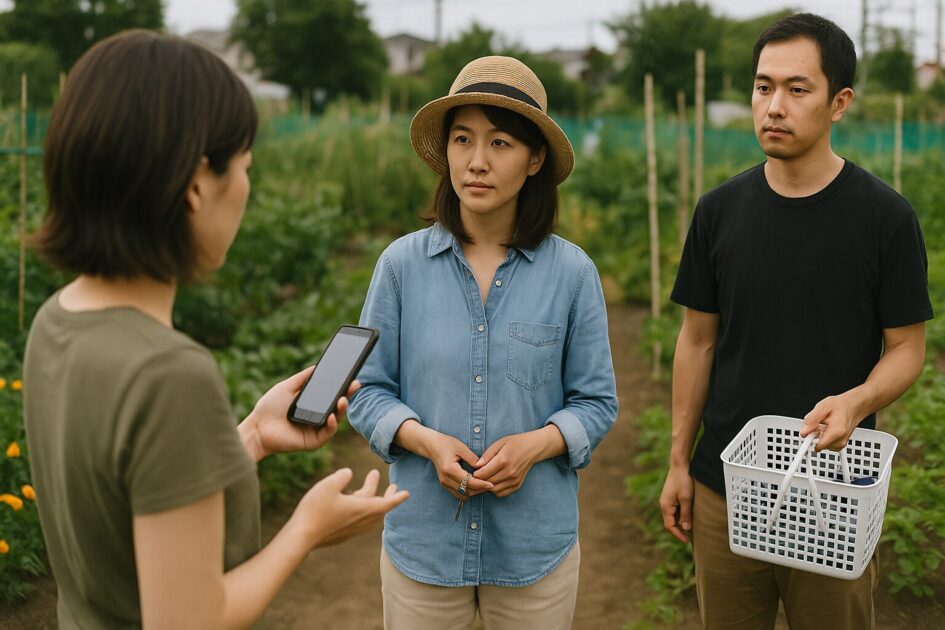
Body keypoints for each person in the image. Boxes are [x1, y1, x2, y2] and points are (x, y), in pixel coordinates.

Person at [22, 30, 408, 629]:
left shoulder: (56, 320)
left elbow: (127, 504)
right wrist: (305, 529)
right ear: (199, 184)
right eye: (246, 167)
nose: (248, 188)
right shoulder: (169, 374)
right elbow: (188, 619)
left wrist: (249, 437)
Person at [660, 13, 933, 630]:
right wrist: (679, 463)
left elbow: (907, 348)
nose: (774, 106)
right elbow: (697, 341)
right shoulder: (719, 211)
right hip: (724, 488)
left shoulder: (884, 218)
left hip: (834, 491)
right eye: (763, 87)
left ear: (839, 103)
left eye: (796, 89)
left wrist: (858, 401)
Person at [347, 56, 618, 629]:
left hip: (533, 551)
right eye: (463, 139)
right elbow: (369, 391)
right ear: (444, 152)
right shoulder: (400, 267)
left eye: (500, 143)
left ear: (535, 159)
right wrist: (426, 442)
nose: (477, 162)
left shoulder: (572, 274)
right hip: (424, 546)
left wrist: (536, 446)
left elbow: (595, 403)